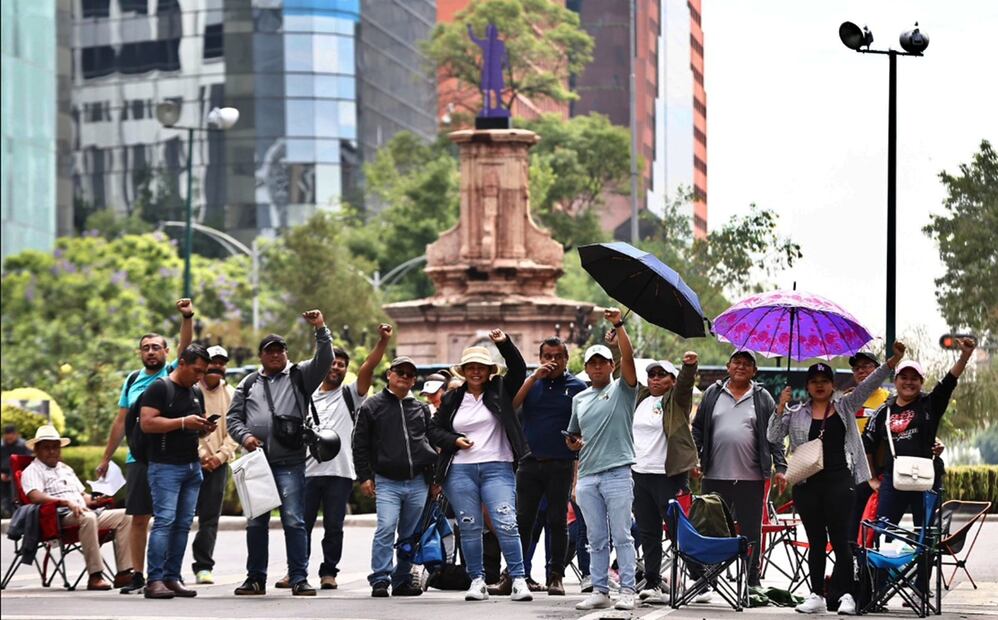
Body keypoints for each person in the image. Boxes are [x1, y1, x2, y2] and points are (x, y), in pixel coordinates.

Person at [768, 342, 904, 615]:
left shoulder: (844, 405)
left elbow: (869, 384)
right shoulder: (796, 413)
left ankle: (848, 596)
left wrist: (892, 362)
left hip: (840, 484)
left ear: (832, 385)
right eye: (814, 381)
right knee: (816, 542)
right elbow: (772, 437)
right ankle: (816, 594)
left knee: (842, 541)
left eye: (824, 381)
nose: (819, 386)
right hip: (807, 487)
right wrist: (780, 408)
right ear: (807, 386)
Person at [227, 310, 333, 596]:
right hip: (257, 462)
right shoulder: (248, 383)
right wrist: (245, 436)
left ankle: (299, 577)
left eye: (280, 350)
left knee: (295, 521)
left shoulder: (301, 376)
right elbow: (232, 419)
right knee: (256, 522)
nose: (275, 355)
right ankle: (255, 578)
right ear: (261, 355)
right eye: (269, 351)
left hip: (290, 461)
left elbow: (326, 360)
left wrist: (320, 328)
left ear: (286, 354)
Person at [96, 298, 194, 594]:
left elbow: (186, 346)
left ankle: (165, 574)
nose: (150, 352)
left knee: (170, 518)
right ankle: (138, 575)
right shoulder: (132, 379)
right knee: (139, 517)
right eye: (146, 347)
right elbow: (120, 421)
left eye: (156, 347)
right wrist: (106, 457)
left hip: (168, 457)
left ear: (166, 352)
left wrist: (187, 317)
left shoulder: (171, 374)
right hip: (138, 457)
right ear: (140, 352)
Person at [429, 329, 532, 603]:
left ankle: (518, 578)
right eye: (470, 368)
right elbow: (434, 430)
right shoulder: (452, 398)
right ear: (463, 371)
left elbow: (519, 369)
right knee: (469, 525)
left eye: (481, 368)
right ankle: (477, 580)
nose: (476, 372)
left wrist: (504, 344)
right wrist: (454, 439)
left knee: (506, 521)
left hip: (497, 466)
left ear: (489, 370)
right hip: (460, 470)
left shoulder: (501, 389)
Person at [292, 323, 392, 590]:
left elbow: (367, 369)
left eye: (341, 365)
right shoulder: (306, 396)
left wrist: (382, 342)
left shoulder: (351, 395)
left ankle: (329, 572)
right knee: (301, 526)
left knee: (334, 528)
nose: (336, 368)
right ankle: (297, 572)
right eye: (333, 363)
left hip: (340, 473)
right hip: (308, 472)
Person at [691, 349, 787, 590]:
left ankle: (751, 581)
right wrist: (694, 457)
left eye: (747, 364)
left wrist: (780, 467)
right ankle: (706, 579)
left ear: (754, 371)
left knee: (751, 531)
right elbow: (698, 429)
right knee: (709, 529)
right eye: (736, 362)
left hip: (751, 478)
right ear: (727, 366)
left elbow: (774, 436)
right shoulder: (713, 393)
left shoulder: (762, 396)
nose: (741, 366)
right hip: (714, 475)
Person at [565, 308, 640, 612]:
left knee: (622, 535)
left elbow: (630, 360)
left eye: (602, 362)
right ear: (586, 368)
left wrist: (618, 326)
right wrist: (572, 443)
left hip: (617, 473)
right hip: (588, 475)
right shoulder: (579, 399)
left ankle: (628, 589)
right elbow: (572, 437)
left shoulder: (623, 390)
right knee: (595, 538)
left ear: (612, 365)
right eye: (592, 363)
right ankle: (599, 589)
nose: (597, 367)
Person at [864, 337, 977, 530]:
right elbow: (866, 444)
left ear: (921, 382)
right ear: (896, 380)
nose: (909, 382)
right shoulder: (883, 411)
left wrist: (965, 356)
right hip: (893, 479)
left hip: (927, 477)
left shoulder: (930, 404)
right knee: (883, 532)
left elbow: (949, 381)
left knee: (926, 535)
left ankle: (924, 561)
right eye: (904, 377)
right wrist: (872, 478)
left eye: (914, 378)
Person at [353, 355, 438, 598]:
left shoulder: (421, 408)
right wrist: (365, 477)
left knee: (410, 535)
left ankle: (401, 579)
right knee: (386, 527)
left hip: (418, 482)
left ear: (414, 381)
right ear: (389, 374)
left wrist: (434, 481)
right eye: (399, 371)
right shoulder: (372, 405)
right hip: (387, 481)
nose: (404, 377)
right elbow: (360, 445)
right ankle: (380, 579)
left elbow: (429, 444)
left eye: (409, 374)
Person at [510, 337, 587, 596]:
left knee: (557, 521)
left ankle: (555, 575)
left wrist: (578, 442)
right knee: (522, 522)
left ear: (566, 359)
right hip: (530, 461)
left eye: (558, 356)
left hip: (561, 463)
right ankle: (515, 575)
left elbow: (585, 423)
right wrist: (533, 378)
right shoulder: (532, 384)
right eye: (547, 356)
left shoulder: (577, 386)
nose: (552, 361)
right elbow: (511, 406)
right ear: (541, 357)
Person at [139, 344, 214, 599]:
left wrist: (203, 428)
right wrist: (183, 422)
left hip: (192, 467)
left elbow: (195, 423)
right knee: (165, 522)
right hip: (165, 467)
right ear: (181, 362)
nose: (200, 376)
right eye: (196, 370)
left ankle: (172, 577)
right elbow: (148, 424)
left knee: (182, 525)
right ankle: (155, 580)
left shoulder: (195, 391)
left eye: (204, 372)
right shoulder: (160, 387)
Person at [21, 425, 133, 590]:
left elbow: (82, 496)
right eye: (46, 448)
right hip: (59, 517)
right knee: (87, 518)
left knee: (126, 515)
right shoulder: (33, 470)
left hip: (84, 511)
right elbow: (34, 496)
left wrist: (95, 499)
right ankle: (95, 576)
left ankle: (124, 573)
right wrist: (65, 502)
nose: (52, 451)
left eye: (55, 447)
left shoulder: (65, 469)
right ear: (37, 450)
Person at [632, 353, 699, 604]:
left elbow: (685, 385)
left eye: (662, 375)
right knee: (647, 530)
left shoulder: (676, 400)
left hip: (668, 475)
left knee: (677, 530)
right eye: (652, 374)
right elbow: (623, 371)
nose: (656, 379)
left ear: (672, 380)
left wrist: (689, 366)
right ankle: (652, 581)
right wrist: (616, 344)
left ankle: (700, 579)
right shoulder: (640, 398)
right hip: (640, 473)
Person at [190, 345, 239, 585]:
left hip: (218, 465)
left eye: (222, 362)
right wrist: (201, 455)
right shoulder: (190, 391)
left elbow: (236, 430)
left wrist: (219, 457)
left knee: (210, 518)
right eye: (213, 361)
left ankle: (203, 566)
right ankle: (168, 568)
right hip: (190, 462)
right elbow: (188, 428)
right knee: (178, 517)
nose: (217, 366)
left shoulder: (231, 394)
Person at [1, 424, 31, 518]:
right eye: (7, 435)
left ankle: (17, 516)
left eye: (12, 434)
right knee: (4, 498)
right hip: (3, 475)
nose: (9, 437)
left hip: (18, 476)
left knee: (17, 497)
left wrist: (15, 475)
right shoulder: (1, 445)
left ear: (16, 434)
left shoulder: (23, 445)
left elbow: (27, 462)